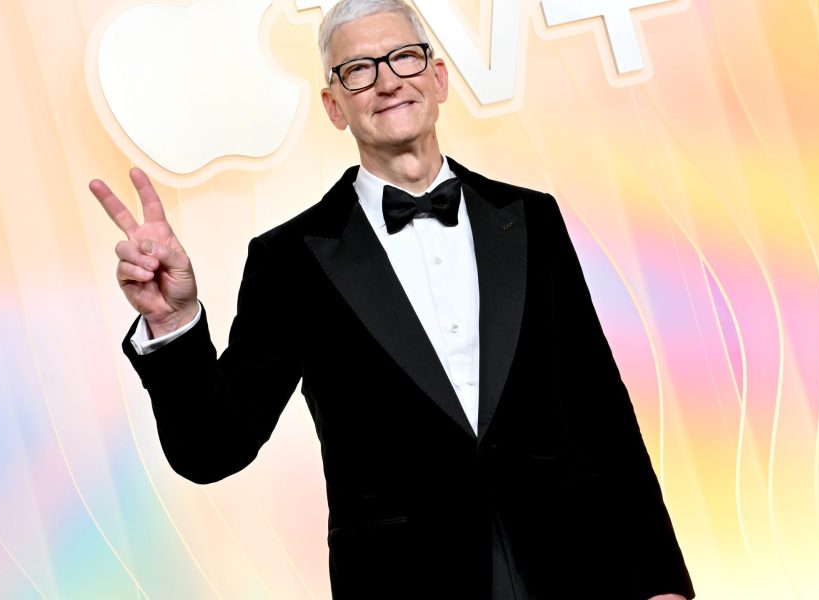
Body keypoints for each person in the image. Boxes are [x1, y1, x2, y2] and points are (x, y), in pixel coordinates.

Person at [89, 1, 694, 597]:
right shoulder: (290, 260)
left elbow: (600, 406)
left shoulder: (532, 217)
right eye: (359, 69)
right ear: (334, 106)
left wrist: (660, 579)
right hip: (404, 580)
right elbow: (212, 449)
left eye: (404, 57)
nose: (387, 82)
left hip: (576, 567)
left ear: (438, 78)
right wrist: (173, 322)